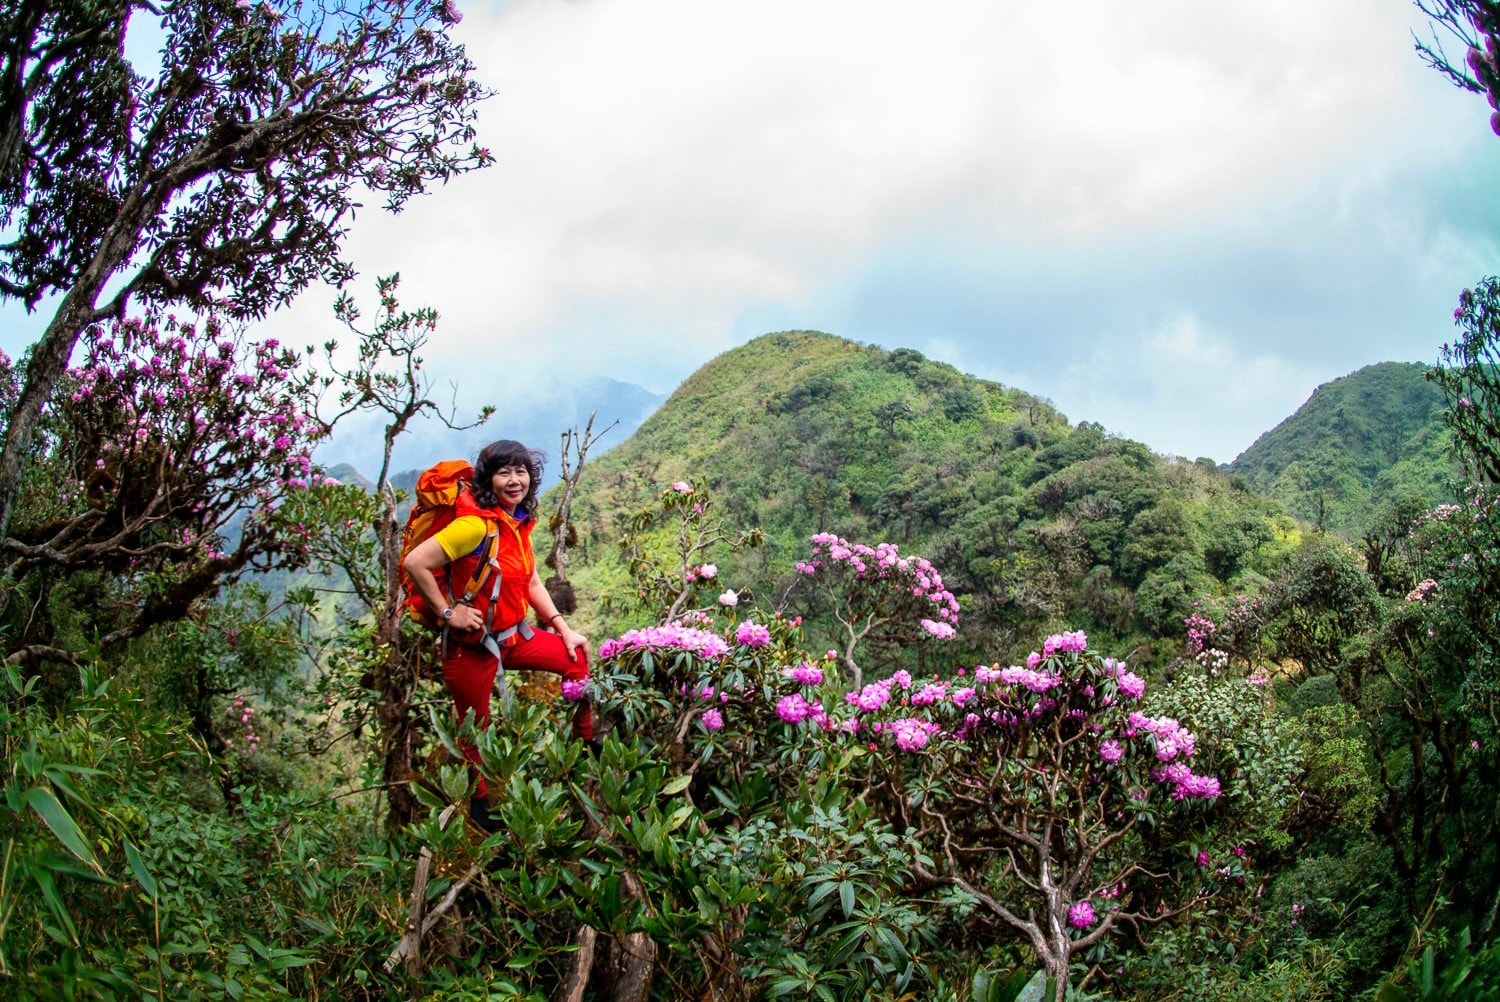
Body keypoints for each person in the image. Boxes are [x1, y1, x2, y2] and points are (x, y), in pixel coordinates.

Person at [402, 439, 592, 832]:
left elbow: (533, 580)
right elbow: (415, 562)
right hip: (469, 648)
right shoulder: (475, 525)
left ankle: (585, 747)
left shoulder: (517, 521)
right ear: (489, 479)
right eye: (504, 472)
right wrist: (449, 613)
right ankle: (482, 814)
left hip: (513, 637)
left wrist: (563, 628)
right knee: (475, 731)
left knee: (576, 659)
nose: (514, 480)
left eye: (521, 471)